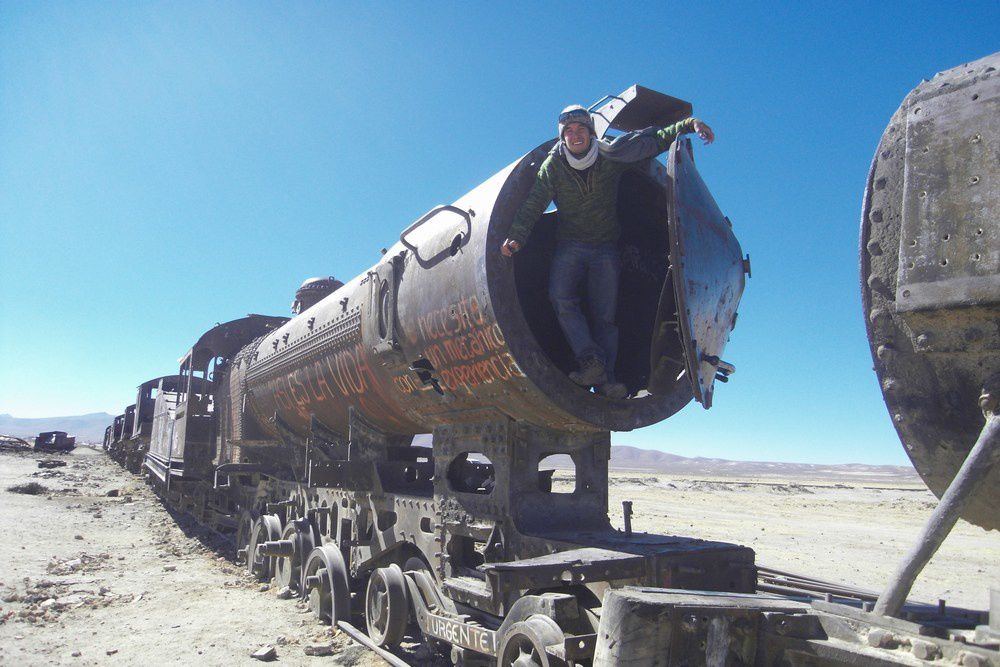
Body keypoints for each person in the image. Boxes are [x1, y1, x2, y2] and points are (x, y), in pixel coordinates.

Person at [501, 105, 714, 399]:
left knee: (605, 317)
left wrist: (690, 124)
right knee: (561, 298)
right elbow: (534, 202)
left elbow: (652, 141)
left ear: (590, 133)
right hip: (570, 245)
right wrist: (517, 236)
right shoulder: (554, 166)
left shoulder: (610, 156)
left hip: (605, 248)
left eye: (581, 130)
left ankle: (606, 380)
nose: (575, 136)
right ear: (562, 137)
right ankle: (591, 359)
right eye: (569, 131)